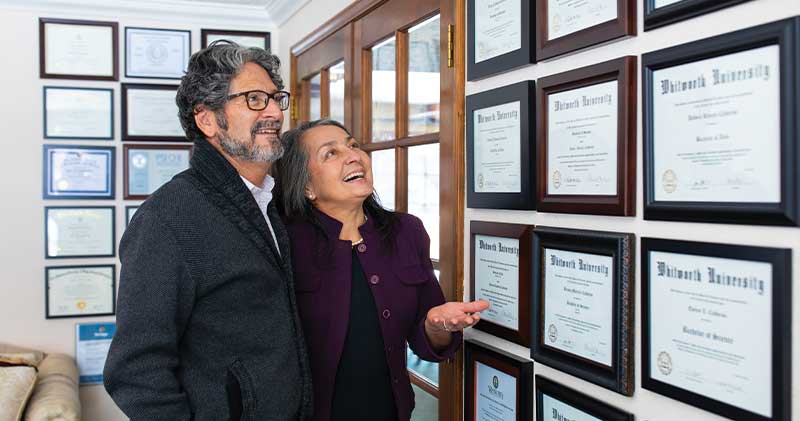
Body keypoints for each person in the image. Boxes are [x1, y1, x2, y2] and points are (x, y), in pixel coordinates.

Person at [103, 41, 312, 421]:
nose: (273, 112)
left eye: (274, 97)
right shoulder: (167, 218)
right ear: (208, 120)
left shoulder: (273, 202)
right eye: (253, 99)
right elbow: (134, 371)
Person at [275, 119, 489, 421]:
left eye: (353, 145)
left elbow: (426, 342)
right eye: (330, 153)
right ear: (307, 185)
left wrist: (436, 326)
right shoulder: (282, 241)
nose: (353, 156)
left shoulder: (406, 231)